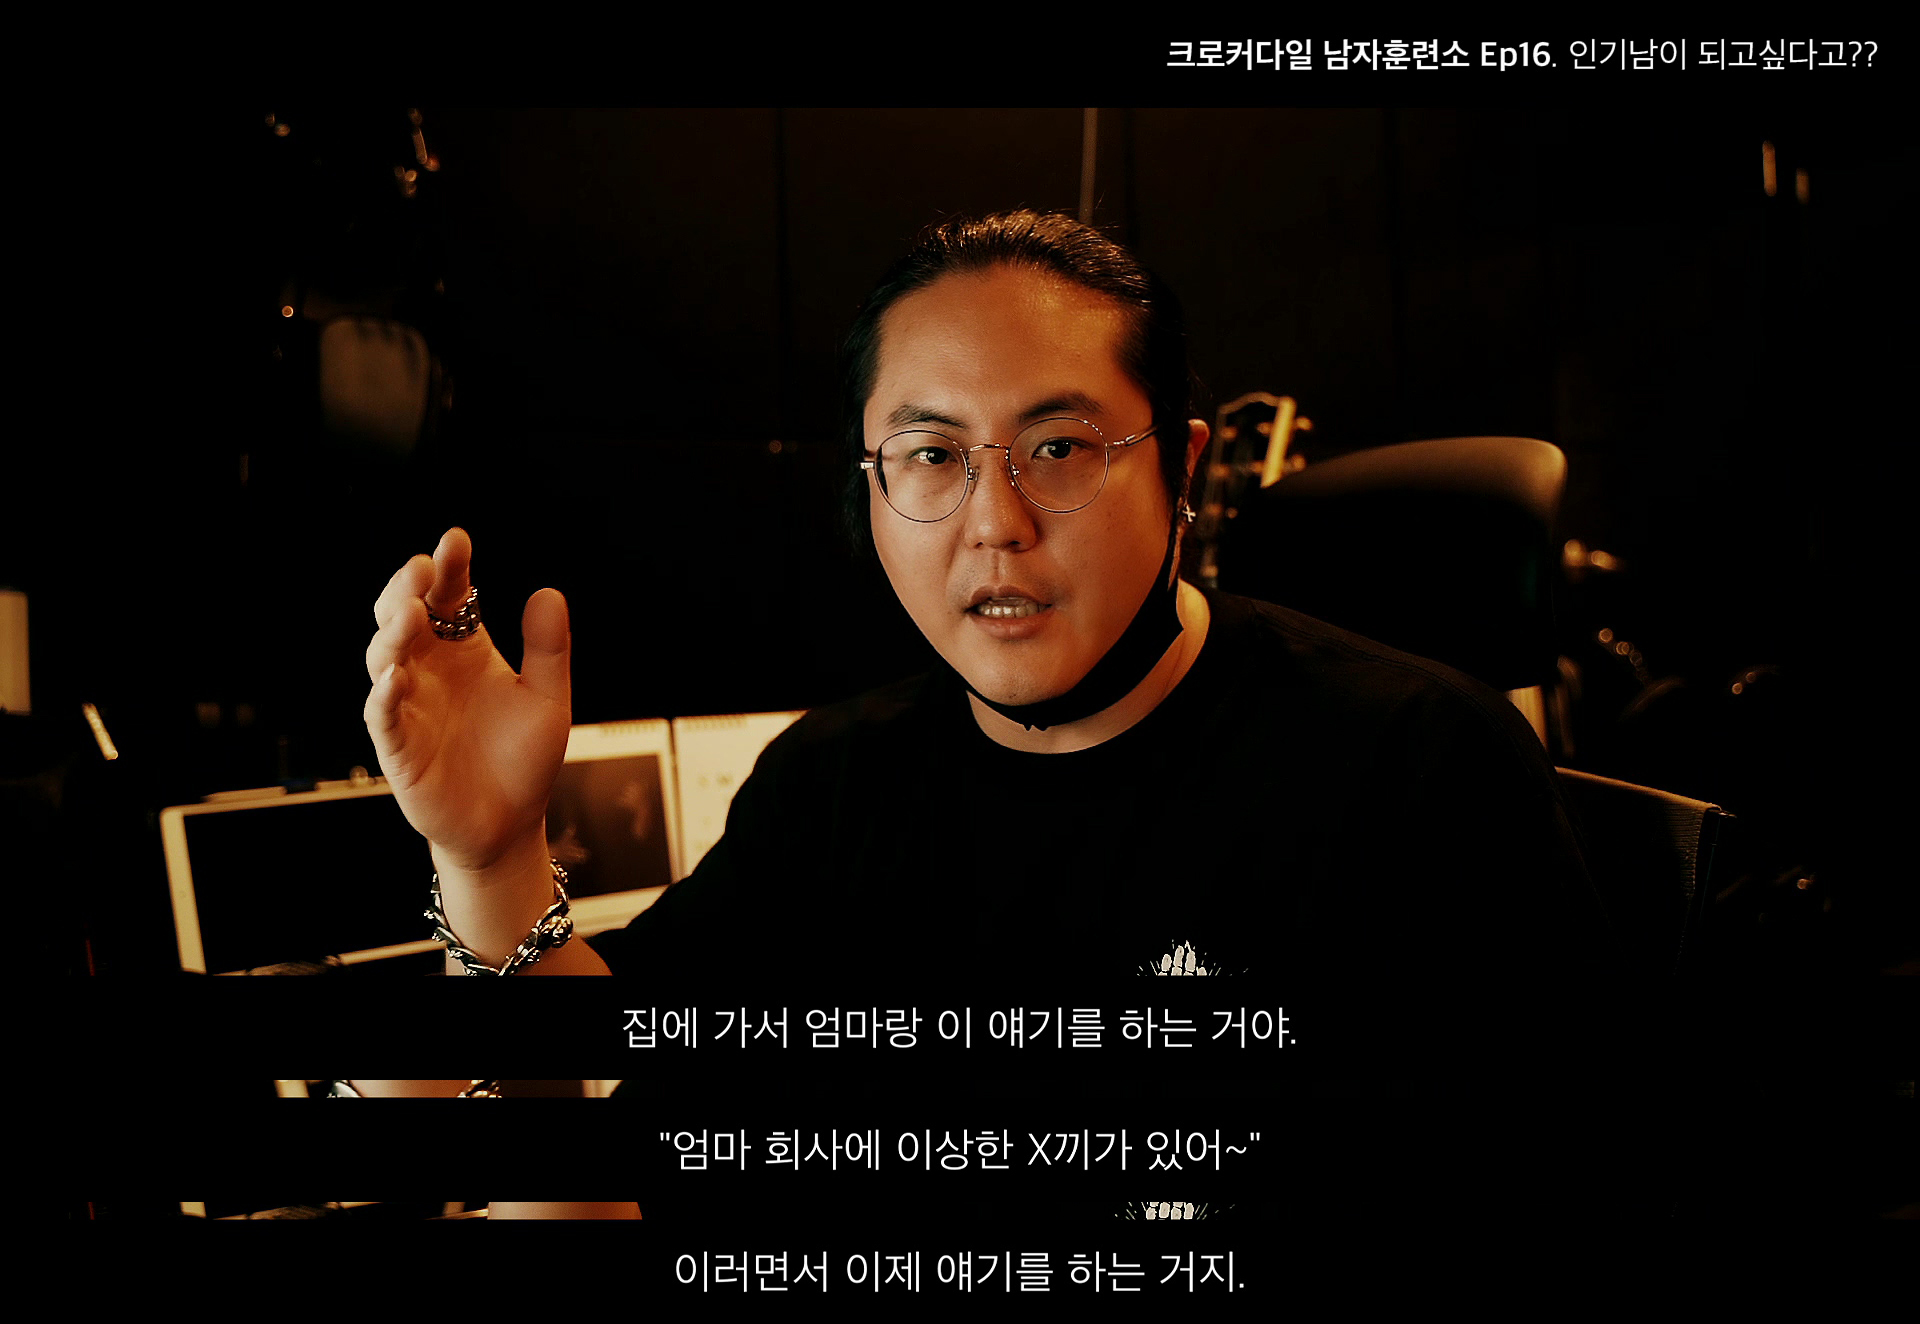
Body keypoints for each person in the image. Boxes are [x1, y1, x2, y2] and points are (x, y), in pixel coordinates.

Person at [349, 213, 1622, 1146]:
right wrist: (491, 850)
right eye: (930, 455)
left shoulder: (1420, 767)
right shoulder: (831, 784)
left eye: (1059, 447)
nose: (995, 522)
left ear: (1180, 470)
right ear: (868, 487)